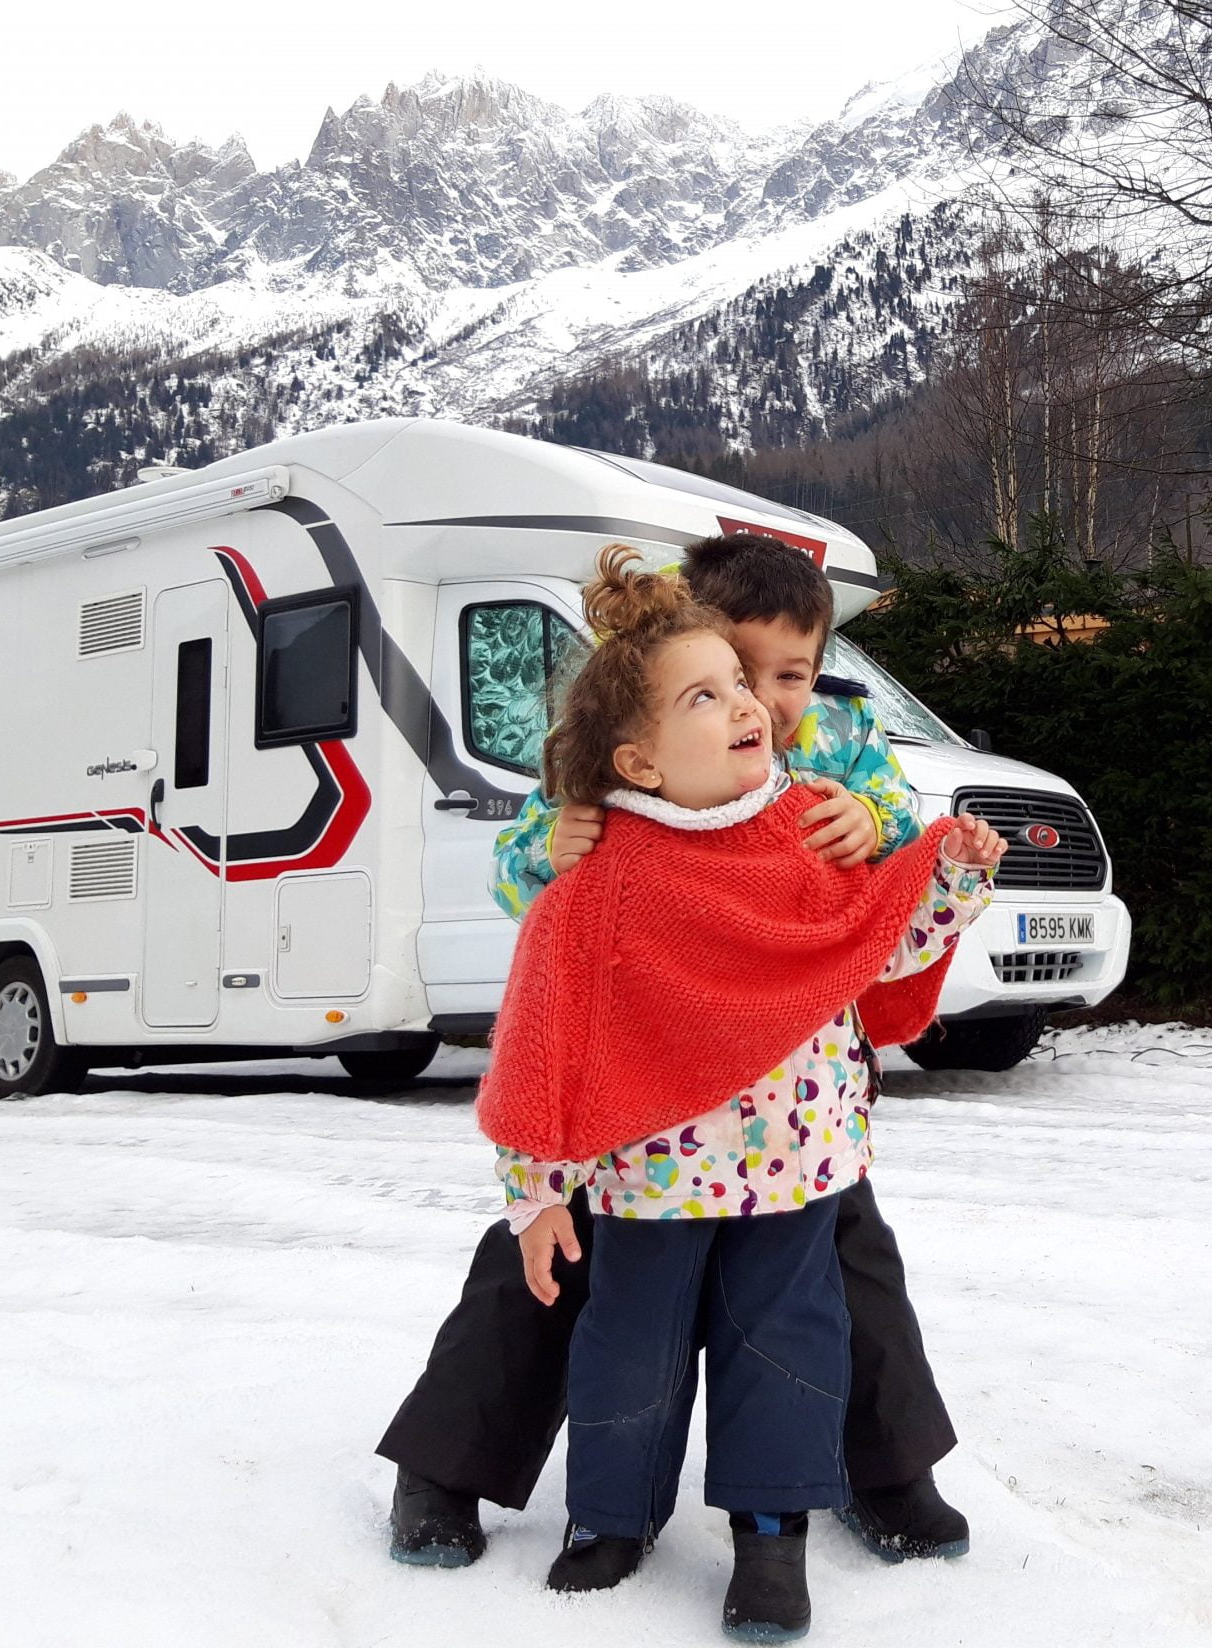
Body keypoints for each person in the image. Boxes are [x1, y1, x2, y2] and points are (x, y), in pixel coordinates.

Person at [376, 534, 976, 1578]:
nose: (765, 699)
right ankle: (445, 1465)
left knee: (846, 1268)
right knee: (552, 1266)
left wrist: (868, 818)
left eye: (788, 674)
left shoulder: (836, 735)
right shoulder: (620, 740)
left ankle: (883, 1471)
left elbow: (896, 845)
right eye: (737, 671)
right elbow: (530, 877)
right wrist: (553, 849)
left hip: (790, 1093)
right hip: (643, 1094)